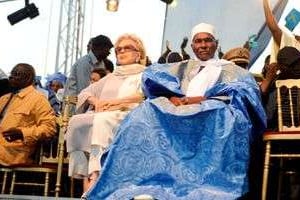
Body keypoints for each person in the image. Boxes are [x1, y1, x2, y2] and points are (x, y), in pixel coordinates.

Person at [85, 23, 266, 200]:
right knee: (144, 112)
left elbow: (245, 91)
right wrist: (172, 97)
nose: (203, 45)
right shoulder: (184, 67)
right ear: (192, 45)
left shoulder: (230, 69)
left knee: (223, 116)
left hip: (210, 110)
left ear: (216, 43)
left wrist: (201, 99)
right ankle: (141, 184)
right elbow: (156, 80)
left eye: (207, 40)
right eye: (198, 41)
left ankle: (203, 186)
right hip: (180, 110)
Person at [65, 33, 147, 193]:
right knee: (76, 121)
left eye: (127, 48)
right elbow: (85, 92)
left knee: (101, 120)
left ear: (138, 54)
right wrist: (97, 102)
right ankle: (84, 176)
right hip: (107, 114)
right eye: (118, 49)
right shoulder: (111, 77)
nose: (121, 52)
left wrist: (117, 103)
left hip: (131, 116)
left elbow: (145, 95)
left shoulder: (145, 74)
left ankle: (95, 175)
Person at [0, 63, 56, 166]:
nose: (11, 77)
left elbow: (50, 128)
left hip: (15, 151)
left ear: (28, 78)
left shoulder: (38, 99)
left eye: (16, 74)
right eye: (11, 74)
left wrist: (23, 133)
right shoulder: (4, 98)